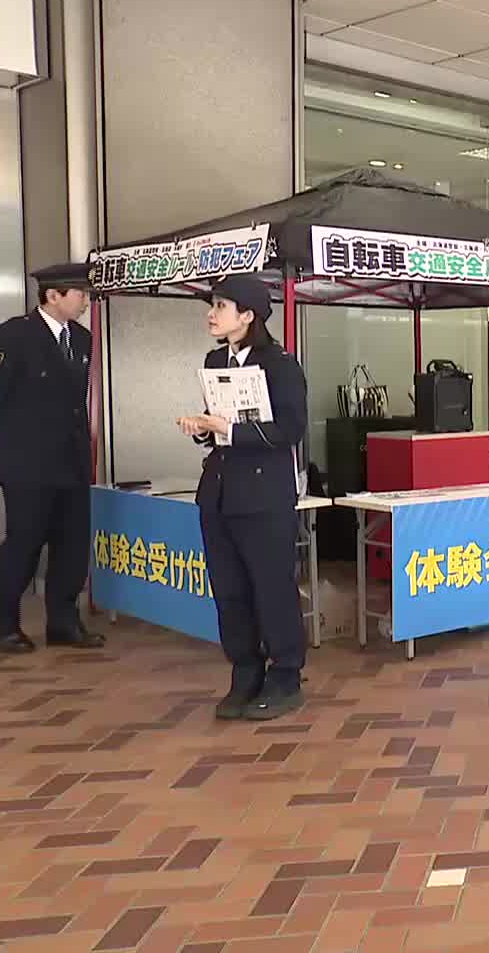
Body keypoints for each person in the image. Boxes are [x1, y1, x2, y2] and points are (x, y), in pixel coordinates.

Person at [175, 274, 310, 720]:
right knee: (229, 589)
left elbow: (290, 429)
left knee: (272, 587)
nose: (211, 315)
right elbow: (216, 424)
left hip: (265, 495)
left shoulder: (280, 364)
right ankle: (245, 671)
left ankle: (285, 675)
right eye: (211, 306)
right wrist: (203, 429)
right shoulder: (215, 360)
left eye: (221, 306)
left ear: (248, 315)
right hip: (219, 493)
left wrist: (230, 430)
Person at [0, 263, 105, 654]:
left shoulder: (81, 339)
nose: (86, 301)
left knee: (72, 544)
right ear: (53, 296)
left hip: (71, 461)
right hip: (27, 464)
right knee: (24, 543)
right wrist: (12, 444)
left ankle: (64, 623)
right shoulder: (11, 335)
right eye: (80, 294)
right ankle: (2, 625)